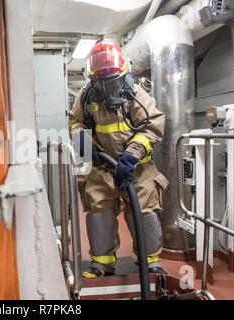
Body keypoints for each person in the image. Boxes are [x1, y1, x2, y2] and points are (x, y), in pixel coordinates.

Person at [69, 41, 169, 278]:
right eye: (102, 81)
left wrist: (132, 155)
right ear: (93, 78)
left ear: (122, 73)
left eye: (113, 79)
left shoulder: (135, 94)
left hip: (136, 166)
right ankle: (102, 263)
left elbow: (153, 127)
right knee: (99, 210)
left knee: (145, 211)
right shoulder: (86, 96)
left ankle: (150, 261)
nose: (108, 85)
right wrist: (85, 145)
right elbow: (75, 122)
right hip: (101, 166)